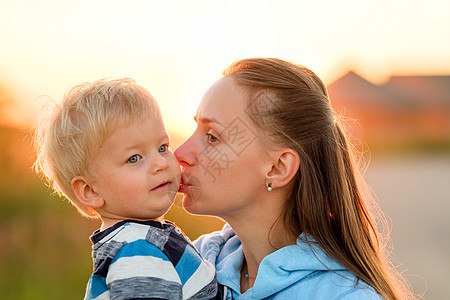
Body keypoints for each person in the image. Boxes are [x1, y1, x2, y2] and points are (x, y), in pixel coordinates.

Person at [174, 58, 413, 299]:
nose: (179, 154)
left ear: (278, 168)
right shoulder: (189, 261)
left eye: (212, 137)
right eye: (195, 129)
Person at [34, 78, 218, 300]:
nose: (160, 163)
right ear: (90, 191)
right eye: (134, 158)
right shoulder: (138, 252)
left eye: (162, 147)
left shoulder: (142, 240)